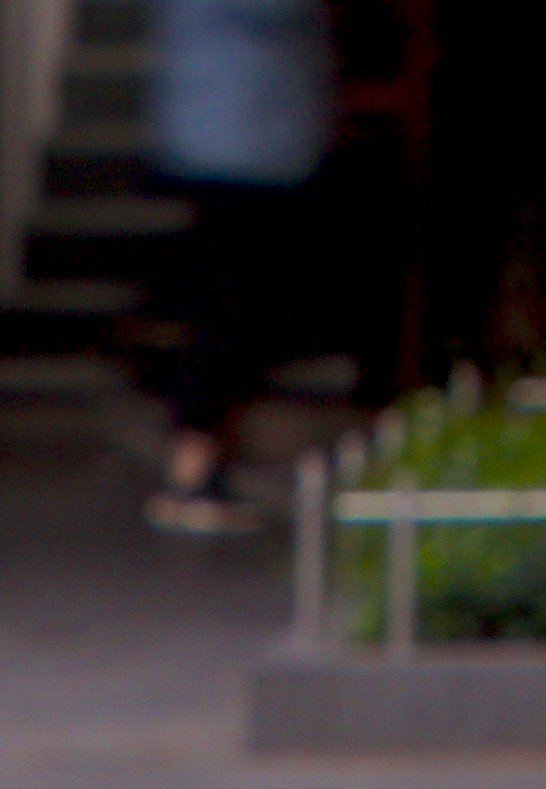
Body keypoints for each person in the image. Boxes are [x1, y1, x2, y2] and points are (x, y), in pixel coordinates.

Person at [145, 0, 334, 537]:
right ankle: (194, 463)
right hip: (242, 131)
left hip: (235, 126)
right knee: (230, 301)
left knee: (230, 297)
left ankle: (203, 457)